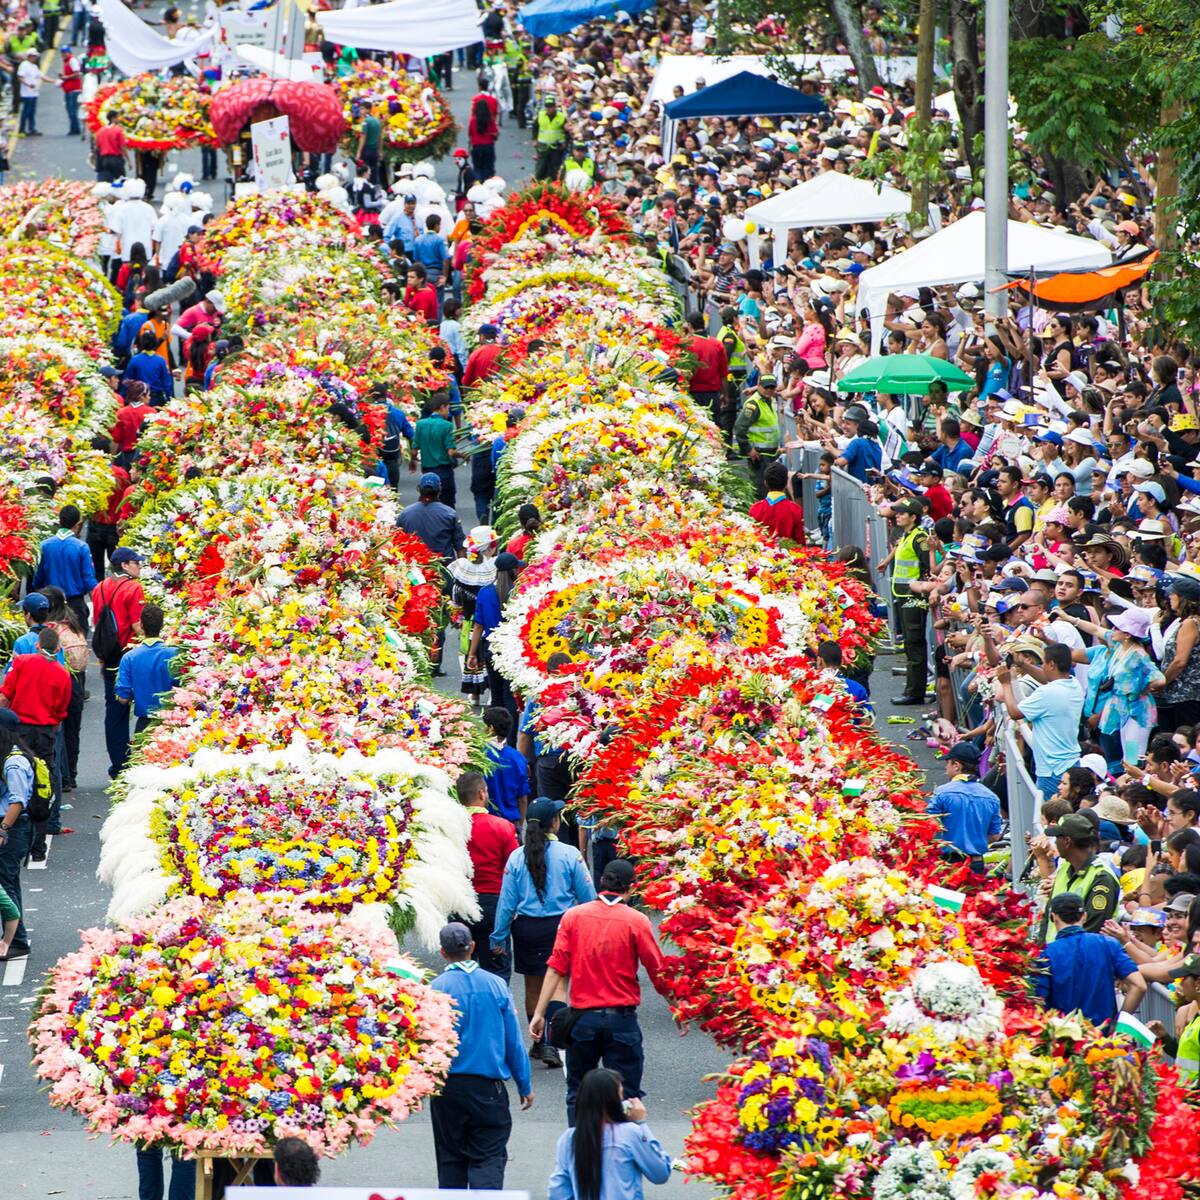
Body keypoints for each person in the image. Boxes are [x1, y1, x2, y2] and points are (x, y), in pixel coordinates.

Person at [531, 859, 672, 1123]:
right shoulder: (636, 921)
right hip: (622, 1020)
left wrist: (540, 1013)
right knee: (627, 1096)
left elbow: (556, 968)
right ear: (632, 888)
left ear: (601, 883)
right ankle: (623, 1153)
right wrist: (676, 1005)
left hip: (582, 1019)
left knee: (578, 1093)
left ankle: (578, 1153)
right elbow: (657, 970)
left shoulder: (573, 916)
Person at [490, 798, 596, 1068]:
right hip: (561, 926)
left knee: (533, 985)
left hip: (526, 929)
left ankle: (538, 1041)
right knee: (559, 983)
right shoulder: (570, 854)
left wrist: (499, 936)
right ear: (554, 822)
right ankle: (553, 1039)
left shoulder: (516, 856)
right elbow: (587, 897)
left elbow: (507, 902)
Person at [429, 922, 533, 1189]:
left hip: (446, 1087)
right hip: (487, 1089)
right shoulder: (496, 985)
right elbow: (513, 1040)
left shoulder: (435, 988)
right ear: (473, 946)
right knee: (488, 1156)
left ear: (443, 952)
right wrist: (524, 1084)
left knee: (450, 1157)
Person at [547, 1068, 672, 1200]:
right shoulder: (630, 1133)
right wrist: (641, 1124)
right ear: (615, 1102)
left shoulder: (569, 1138)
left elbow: (558, 1190)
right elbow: (660, 1173)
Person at [1034, 892, 1146, 1028]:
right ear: (1084, 916)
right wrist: (1118, 1024)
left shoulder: (1046, 954)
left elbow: (1037, 1001)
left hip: (1061, 1040)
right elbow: (1139, 985)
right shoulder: (1108, 944)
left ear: (1054, 917)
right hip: (1102, 1042)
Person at [995, 642, 1084, 799]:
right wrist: (1022, 664)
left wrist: (1006, 684)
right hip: (1070, 763)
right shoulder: (1074, 684)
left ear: (1051, 665)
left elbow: (1015, 713)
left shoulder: (1047, 693)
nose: (1041, 667)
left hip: (1051, 769)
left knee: (1047, 817)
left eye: (1043, 663)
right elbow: (1047, 678)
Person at [458, 770, 518, 978]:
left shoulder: (451, 828)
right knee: (497, 969)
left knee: (462, 969)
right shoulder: (503, 827)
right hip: (494, 905)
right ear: (482, 794)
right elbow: (514, 868)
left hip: (460, 903)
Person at [91, 547, 146, 779]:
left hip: (110, 655)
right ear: (124, 565)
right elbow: (137, 626)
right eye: (137, 563)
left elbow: (99, 625)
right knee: (146, 707)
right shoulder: (133, 588)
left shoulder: (99, 588)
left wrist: (102, 660)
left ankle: (119, 766)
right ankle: (138, 761)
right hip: (129, 655)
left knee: (114, 712)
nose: (140, 567)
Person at [1039, 812, 1121, 941]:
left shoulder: (1101, 878)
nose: (1055, 842)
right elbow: (1048, 916)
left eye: (1057, 838)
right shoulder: (1065, 869)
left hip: (1081, 957)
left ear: (1067, 841)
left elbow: (1092, 928)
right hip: (1053, 955)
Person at [883, 499, 932, 704]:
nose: (898, 516)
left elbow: (927, 567)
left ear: (913, 517)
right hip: (904, 595)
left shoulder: (919, 537)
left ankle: (914, 692)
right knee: (910, 645)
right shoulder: (906, 535)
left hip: (914, 597)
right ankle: (912, 689)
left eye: (902, 513)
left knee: (914, 644)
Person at [925, 742, 1002, 870]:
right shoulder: (991, 797)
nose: (946, 768)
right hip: (976, 863)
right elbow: (994, 836)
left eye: (947, 763)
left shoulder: (942, 792)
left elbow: (929, 825)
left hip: (947, 863)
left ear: (956, 765)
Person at [114, 604, 180, 737]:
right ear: (162, 626)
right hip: (172, 722)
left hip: (144, 725)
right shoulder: (175, 654)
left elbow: (122, 698)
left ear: (141, 625)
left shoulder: (129, 657)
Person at [31, 504, 96, 632]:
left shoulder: (44, 546)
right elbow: (89, 581)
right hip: (75, 606)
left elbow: (37, 579)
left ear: (60, 521)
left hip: (50, 605)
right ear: (77, 525)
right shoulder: (82, 547)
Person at [0, 729, 35, 960]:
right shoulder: (11, 756)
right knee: (8, 881)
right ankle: (14, 938)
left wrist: (3, 828)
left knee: (6, 882)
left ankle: (16, 940)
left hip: (14, 828)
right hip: (12, 827)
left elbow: (17, 801)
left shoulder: (13, 763)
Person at [397, 472, 466, 561]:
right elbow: (460, 547)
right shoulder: (450, 514)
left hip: (414, 568)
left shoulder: (405, 514)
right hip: (444, 567)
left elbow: (397, 543)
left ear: (418, 489)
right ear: (440, 490)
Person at [733, 374, 781, 499]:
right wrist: (748, 449)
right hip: (759, 454)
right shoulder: (753, 404)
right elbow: (739, 428)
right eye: (766, 387)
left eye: (772, 388)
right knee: (761, 488)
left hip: (770, 453)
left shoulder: (770, 400)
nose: (769, 390)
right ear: (758, 386)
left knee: (770, 488)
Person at [410, 394, 459, 508]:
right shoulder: (447, 426)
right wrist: (462, 455)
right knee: (448, 504)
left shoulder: (421, 424)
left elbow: (414, 450)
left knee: (426, 504)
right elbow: (450, 452)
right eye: (448, 408)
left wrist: (413, 462)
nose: (448, 412)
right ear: (442, 407)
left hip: (427, 472)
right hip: (444, 471)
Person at [482, 706, 528, 824]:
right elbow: (522, 798)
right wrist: (520, 826)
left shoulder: (480, 754)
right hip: (511, 822)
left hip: (486, 821)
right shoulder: (518, 758)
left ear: (491, 728)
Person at [533, 95, 568, 181]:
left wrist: (565, 143)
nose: (549, 108)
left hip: (556, 147)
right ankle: (537, 185)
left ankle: (555, 186)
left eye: (551, 106)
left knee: (555, 169)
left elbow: (567, 131)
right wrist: (534, 139)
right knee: (540, 168)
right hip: (543, 146)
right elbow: (535, 127)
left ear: (555, 106)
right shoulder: (541, 115)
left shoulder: (561, 117)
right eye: (547, 106)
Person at [463, 324, 505, 388]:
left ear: (482, 336)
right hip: (503, 389)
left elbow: (467, 380)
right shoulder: (503, 351)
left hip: (481, 390)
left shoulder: (476, 353)